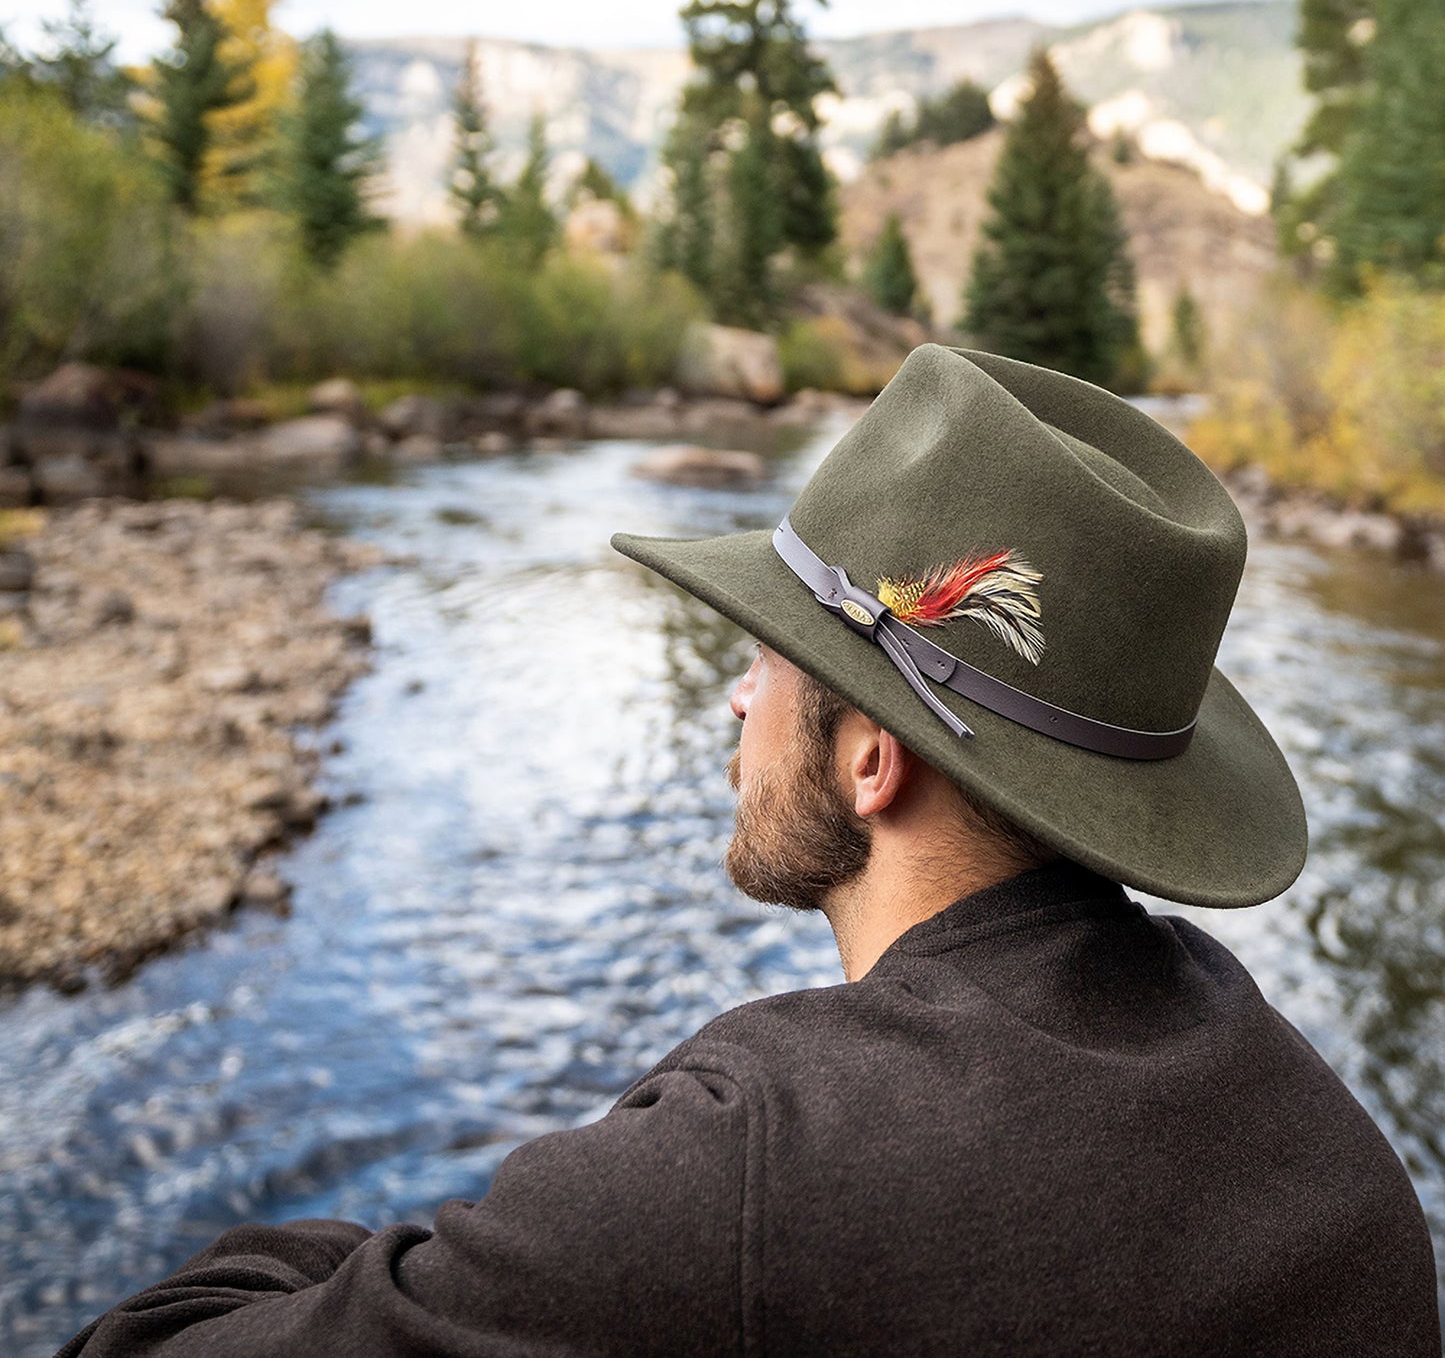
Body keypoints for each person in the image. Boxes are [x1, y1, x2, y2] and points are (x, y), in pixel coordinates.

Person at [60, 345, 1440, 1355]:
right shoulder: (1333, 1154)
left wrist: (453, 1252)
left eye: (769, 656)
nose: (737, 696)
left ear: (867, 756)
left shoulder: (749, 1163)